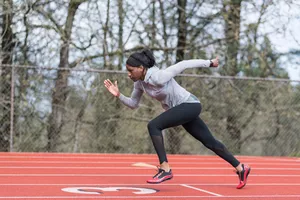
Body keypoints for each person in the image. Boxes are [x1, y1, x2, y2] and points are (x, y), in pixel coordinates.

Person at [103, 49, 251, 189]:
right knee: (209, 141)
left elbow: (183, 64)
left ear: (141, 68)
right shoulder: (139, 83)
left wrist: (210, 62)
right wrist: (118, 95)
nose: (128, 74)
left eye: (130, 70)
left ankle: (165, 168)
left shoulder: (158, 77)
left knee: (153, 125)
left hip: (190, 105)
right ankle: (241, 168)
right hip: (181, 109)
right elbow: (133, 104)